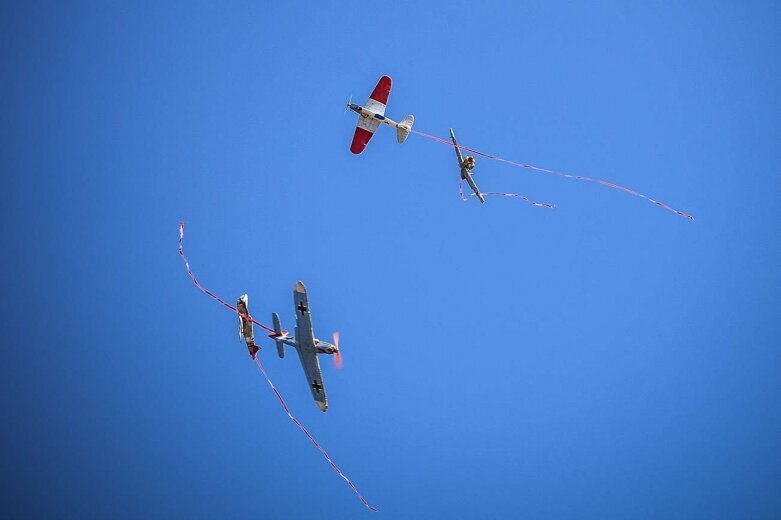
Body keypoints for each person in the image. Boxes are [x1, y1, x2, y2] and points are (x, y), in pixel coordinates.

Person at [237, 294, 260, 359]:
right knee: (247, 334)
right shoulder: (243, 311)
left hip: (247, 323)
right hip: (246, 324)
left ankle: (252, 348)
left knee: (247, 333)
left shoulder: (243, 311)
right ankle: (252, 348)